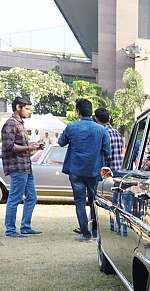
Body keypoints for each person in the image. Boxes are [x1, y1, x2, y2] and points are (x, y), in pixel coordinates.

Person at [58, 98, 111, 242]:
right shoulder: (101, 129)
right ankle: (95, 231)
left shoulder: (71, 127)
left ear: (78, 112)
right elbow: (107, 150)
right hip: (94, 170)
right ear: (91, 112)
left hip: (76, 170)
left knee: (79, 202)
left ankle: (86, 234)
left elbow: (61, 142)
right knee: (94, 201)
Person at [1, 96, 43, 238]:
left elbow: (20, 145)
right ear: (18, 107)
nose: (28, 111)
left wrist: (33, 147)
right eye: (26, 108)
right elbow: (8, 146)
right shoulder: (11, 123)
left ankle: (25, 227)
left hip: (26, 166)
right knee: (15, 198)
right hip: (17, 166)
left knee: (32, 197)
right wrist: (29, 147)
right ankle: (10, 230)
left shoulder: (19, 123)